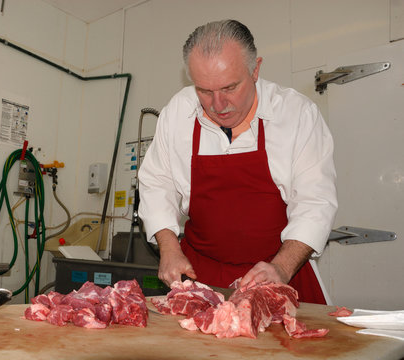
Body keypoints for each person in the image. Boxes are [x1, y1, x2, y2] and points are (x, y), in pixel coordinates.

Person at [138, 19, 337, 304]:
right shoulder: (178, 112)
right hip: (199, 277)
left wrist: (281, 268)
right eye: (204, 91)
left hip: (279, 270)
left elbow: (315, 203)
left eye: (230, 87)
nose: (218, 105)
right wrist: (169, 249)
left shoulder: (296, 114)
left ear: (255, 69)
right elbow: (157, 183)